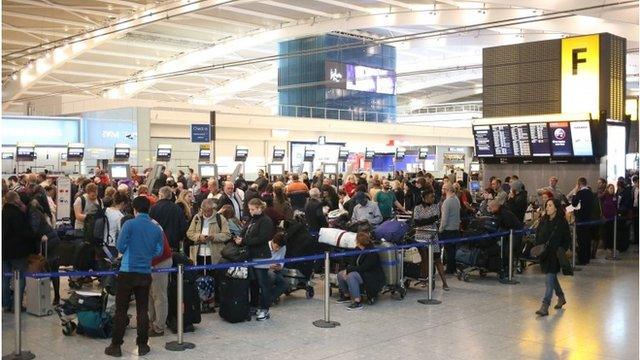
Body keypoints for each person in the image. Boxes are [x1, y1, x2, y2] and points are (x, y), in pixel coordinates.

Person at [105, 196, 163, 357]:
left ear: (135, 209)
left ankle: (116, 345)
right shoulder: (156, 228)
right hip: (145, 272)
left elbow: (120, 245)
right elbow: (158, 250)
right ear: (149, 209)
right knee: (142, 310)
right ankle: (143, 345)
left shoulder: (129, 224)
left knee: (121, 310)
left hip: (127, 271)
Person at [235, 198, 273, 321]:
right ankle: (254, 305)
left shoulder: (266, 221)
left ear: (259, 208)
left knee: (263, 283)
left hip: (261, 256)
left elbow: (263, 238)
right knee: (254, 283)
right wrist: (239, 238)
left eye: (253, 209)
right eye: (250, 209)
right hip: (250, 255)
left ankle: (265, 309)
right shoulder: (252, 219)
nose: (250, 211)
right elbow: (245, 231)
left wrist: (244, 241)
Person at [534, 199, 570, 316]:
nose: (547, 207)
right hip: (544, 254)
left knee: (549, 280)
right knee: (552, 277)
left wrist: (561, 250)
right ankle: (561, 297)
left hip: (555, 255)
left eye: (550, 205)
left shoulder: (561, 222)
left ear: (556, 208)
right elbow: (538, 235)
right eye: (547, 205)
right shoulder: (543, 220)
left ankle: (545, 305)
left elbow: (567, 239)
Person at [336, 232, 385, 310]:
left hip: (371, 275)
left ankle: (357, 301)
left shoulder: (372, 253)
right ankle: (346, 295)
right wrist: (347, 270)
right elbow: (352, 262)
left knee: (351, 276)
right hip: (361, 272)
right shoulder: (357, 249)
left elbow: (364, 267)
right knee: (340, 274)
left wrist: (349, 270)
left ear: (360, 242)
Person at [412, 191, 449, 290]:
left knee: (437, 259)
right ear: (424, 198)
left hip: (433, 236)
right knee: (424, 259)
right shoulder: (417, 208)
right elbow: (417, 222)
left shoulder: (435, 207)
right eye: (430, 197)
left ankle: (444, 283)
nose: (432, 199)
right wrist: (428, 220)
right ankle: (424, 280)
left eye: (433, 197)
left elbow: (435, 218)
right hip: (420, 237)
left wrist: (424, 221)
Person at [488, 199, 524, 279]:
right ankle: (505, 267)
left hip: (515, 233)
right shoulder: (501, 212)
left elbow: (507, 225)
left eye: (490, 208)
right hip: (511, 233)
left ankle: (509, 269)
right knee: (504, 249)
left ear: (495, 207)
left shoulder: (504, 213)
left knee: (508, 250)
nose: (490, 210)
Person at [149, 186, 187, 251]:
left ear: (160, 195)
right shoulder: (177, 208)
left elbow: (150, 226)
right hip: (173, 244)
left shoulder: (154, 208)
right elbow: (183, 226)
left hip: (158, 243)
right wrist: (178, 238)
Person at [568, 177, 594, 265]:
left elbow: (574, 203)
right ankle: (587, 258)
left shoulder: (580, 192)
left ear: (579, 184)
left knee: (581, 240)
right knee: (587, 239)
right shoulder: (590, 193)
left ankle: (582, 259)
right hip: (588, 219)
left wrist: (575, 192)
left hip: (581, 219)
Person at [439, 184, 461, 274]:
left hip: (448, 230)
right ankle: (453, 267)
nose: (442, 190)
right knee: (453, 250)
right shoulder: (456, 200)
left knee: (449, 250)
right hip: (455, 229)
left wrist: (440, 229)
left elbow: (444, 219)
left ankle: (449, 269)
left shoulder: (447, 202)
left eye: (443, 188)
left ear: (447, 190)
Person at [265, 233, 289, 305]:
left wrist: (280, 266)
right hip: (264, 270)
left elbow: (282, 259)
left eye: (280, 247)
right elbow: (258, 262)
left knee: (285, 284)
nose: (278, 249)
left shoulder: (283, 247)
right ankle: (266, 299)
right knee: (272, 276)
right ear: (272, 241)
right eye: (276, 246)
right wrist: (269, 266)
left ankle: (268, 299)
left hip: (276, 270)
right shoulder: (264, 246)